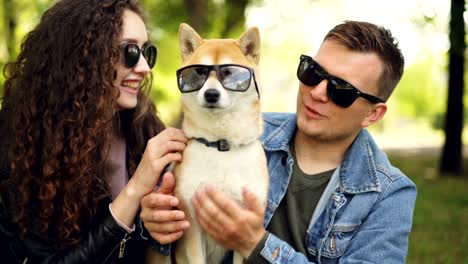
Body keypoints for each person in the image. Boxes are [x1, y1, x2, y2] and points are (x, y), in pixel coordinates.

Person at [142, 20, 417, 263]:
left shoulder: (389, 196)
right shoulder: (229, 132)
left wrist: (256, 244)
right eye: (313, 72)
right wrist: (155, 225)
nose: (318, 92)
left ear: (373, 113)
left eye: (340, 89)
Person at [0, 0, 189, 263]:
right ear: (84, 55)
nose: (145, 67)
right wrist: (135, 189)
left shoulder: (144, 126)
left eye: (147, 52)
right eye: (130, 51)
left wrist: (155, 222)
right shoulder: (21, 141)